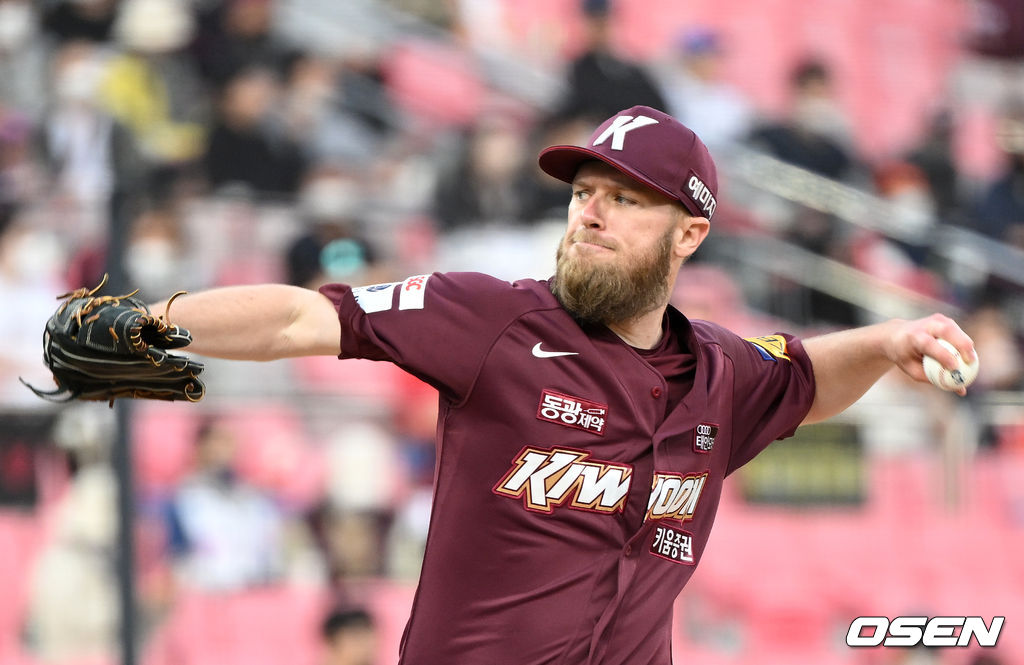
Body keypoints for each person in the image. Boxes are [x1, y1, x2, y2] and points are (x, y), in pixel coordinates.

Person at [150, 105, 976, 664]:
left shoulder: (722, 372)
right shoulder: (493, 320)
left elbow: (803, 377)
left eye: (624, 199)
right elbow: (303, 320)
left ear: (689, 233)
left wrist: (889, 338)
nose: (590, 213)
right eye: (584, 193)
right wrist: (149, 323)